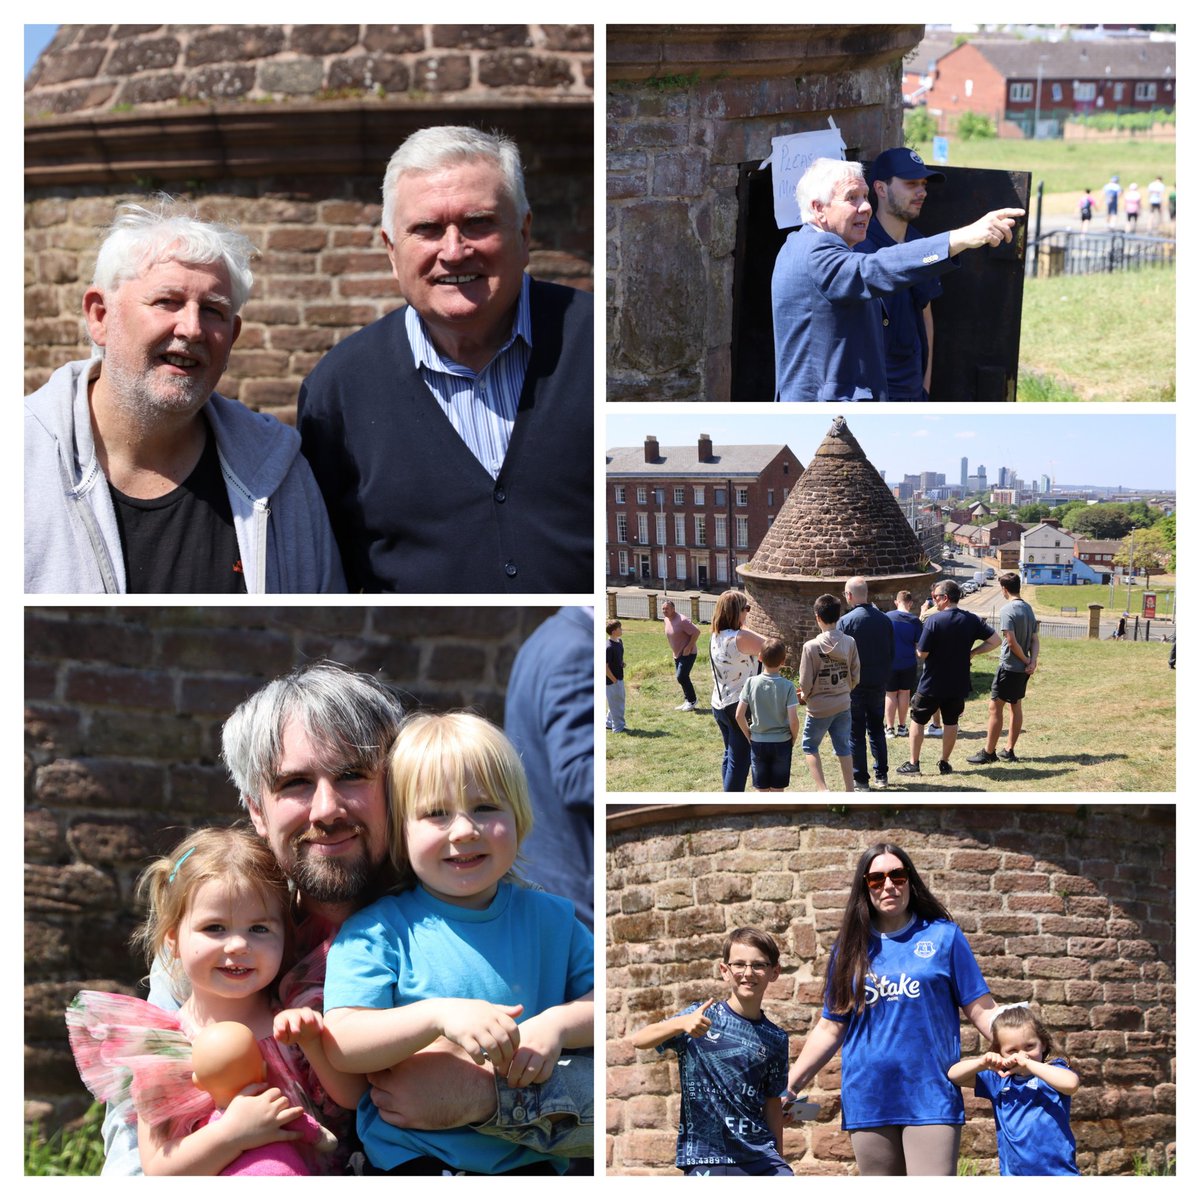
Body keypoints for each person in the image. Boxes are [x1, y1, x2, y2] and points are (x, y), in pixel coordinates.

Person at [100, 661, 592, 1174]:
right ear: (256, 810)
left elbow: (613, 1073)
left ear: (395, 790)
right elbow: (138, 1149)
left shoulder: (507, 906)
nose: (326, 809)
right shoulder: (214, 940)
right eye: (294, 783)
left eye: (352, 775)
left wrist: (489, 1098)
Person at [297, 125, 592, 593]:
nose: (453, 252)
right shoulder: (338, 389)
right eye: (428, 230)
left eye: (478, 223)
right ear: (392, 252)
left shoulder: (596, 345)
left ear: (524, 232)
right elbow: (328, 567)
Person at [24, 198, 344, 594]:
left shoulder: (280, 475)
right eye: (167, 302)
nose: (192, 328)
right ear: (100, 317)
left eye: (213, 310)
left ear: (233, 336)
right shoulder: (22, 461)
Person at [321, 713, 594, 1175]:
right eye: (435, 813)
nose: (465, 829)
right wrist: (438, 1016)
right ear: (399, 830)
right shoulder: (378, 930)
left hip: (532, 1160)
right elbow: (343, 1041)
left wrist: (558, 1025)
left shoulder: (554, 919)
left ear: (520, 816)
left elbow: (609, 1005)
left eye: (486, 808)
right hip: (414, 1160)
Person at [69, 826, 361, 1174]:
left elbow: (353, 1098)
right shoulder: (165, 1048)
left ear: (286, 936)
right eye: (215, 928)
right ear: (174, 939)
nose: (238, 945)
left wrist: (314, 1043)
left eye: (259, 929)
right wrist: (232, 1134)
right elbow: (160, 1169)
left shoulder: (294, 1019)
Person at [784, 843, 998, 1176]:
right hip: (869, 1096)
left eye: (897, 875)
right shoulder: (849, 949)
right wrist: (791, 1085)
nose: (888, 885)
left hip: (931, 1094)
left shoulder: (944, 937)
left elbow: (983, 1010)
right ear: (864, 887)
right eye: (876, 879)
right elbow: (830, 1026)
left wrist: (1028, 1051)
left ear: (910, 880)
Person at [771, 157, 1023, 401]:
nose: (866, 206)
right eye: (851, 198)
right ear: (818, 208)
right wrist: (958, 239)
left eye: (864, 196)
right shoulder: (816, 250)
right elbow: (872, 269)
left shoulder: (801, 245)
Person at [630, 928, 791, 1176]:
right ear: (724, 971)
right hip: (706, 1157)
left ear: (774, 972)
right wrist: (680, 1024)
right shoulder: (700, 1017)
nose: (748, 973)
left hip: (760, 1157)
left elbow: (772, 1103)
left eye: (759, 965)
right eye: (739, 964)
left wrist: (778, 1160)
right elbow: (639, 1040)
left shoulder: (777, 1039)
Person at [504, 607, 594, 929]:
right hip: (577, 896)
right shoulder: (578, 650)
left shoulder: (546, 637)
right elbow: (577, 776)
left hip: (546, 883)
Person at [855, 148, 947, 400]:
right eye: (911, 184)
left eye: (924, 184)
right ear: (881, 189)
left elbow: (926, 317)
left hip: (911, 389)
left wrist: (924, 387)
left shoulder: (923, 246)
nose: (922, 192)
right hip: (869, 390)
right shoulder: (860, 248)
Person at [948, 1005, 1079, 1176]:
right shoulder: (999, 1079)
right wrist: (981, 1062)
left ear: (1043, 1044)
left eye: (1030, 1046)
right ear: (1000, 1052)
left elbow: (1071, 1084)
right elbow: (954, 1075)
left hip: (1058, 1172)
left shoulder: (1052, 1071)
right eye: (1012, 1051)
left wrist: (1029, 1064)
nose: (1021, 1055)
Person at [897, 580, 1000, 778]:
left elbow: (922, 653)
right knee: (951, 722)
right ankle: (944, 763)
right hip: (957, 682)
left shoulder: (934, 621)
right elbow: (995, 641)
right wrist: (973, 652)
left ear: (945, 598)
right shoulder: (972, 620)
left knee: (917, 720)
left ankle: (913, 764)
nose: (934, 600)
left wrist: (917, 648)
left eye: (936, 597)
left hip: (932, 682)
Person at [968, 572, 1039, 765]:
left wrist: (1025, 660)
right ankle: (1009, 750)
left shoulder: (1007, 610)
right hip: (1023, 670)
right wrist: (1032, 661)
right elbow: (1034, 639)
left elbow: (1010, 641)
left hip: (1009, 667)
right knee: (1015, 706)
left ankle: (989, 752)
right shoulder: (1028, 608)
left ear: (1004, 589)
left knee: (995, 707)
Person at [797, 593, 860, 793]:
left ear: (817, 617)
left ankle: (823, 790)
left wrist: (805, 696)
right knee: (843, 746)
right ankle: (850, 790)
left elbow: (805, 681)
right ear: (839, 616)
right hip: (843, 702)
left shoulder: (811, 647)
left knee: (809, 746)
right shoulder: (849, 641)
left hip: (818, 707)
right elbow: (855, 673)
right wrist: (844, 690)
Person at [837, 577, 894, 791]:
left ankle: (861, 779)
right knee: (877, 729)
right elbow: (891, 652)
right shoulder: (885, 620)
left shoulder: (846, 622)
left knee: (856, 733)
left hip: (854, 685)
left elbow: (841, 656)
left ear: (850, 595)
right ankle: (882, 774)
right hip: (878, 682)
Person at [709, 590, 766, 791]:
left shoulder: (717, 636)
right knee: (740, 762)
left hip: (719, 703)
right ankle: (732, 800)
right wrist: (744, 627)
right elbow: (771, 645)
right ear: (736, 612)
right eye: (746, 609)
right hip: (738, 706)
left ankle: (726, 794)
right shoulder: (739, 638)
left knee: (730, 754)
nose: (748, 614)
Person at [735, 638, 800, 792]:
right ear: (783, 661)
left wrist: (748, 735)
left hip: (758, 742)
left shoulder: (750, 683)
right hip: (782, 742)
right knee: (778, 791)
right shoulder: (789, 686)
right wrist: (793, 738)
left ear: (760, 658)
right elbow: (794, 721)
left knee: (761, 790)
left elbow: (739, 715)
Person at [884, 590, 922, 740]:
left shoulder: (887, 618)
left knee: (890, 694)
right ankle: (901, 726)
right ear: (910, 603)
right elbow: (919, 644)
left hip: (890, 662)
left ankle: (889, 728)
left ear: (896, 602)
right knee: (904, 693)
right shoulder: (914, 621)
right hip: (908, 662)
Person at [662, 599, 702, 711]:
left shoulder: (682, 620)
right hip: (677, 654)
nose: (665, 611)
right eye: (663, 609)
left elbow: (696, 632)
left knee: (681, 676)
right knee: (682, 678)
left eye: (667, 608)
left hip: (688, 653)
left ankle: (692, 700)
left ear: (673, 609)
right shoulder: (666, 620)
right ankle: (687, 700)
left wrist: (689, 646)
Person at [605, 619, 627, 735]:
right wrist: (613, 680)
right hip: (611, 680)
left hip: (619, 677)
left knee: (617, 700)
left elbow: (618, 658)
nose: (621, 629)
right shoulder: (608, 647)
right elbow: (604, 667)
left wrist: (621, 663)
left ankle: (608, 722)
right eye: (620, 628)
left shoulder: (619, 641)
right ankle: (618, 727)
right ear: (614, 631)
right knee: (617, 703)